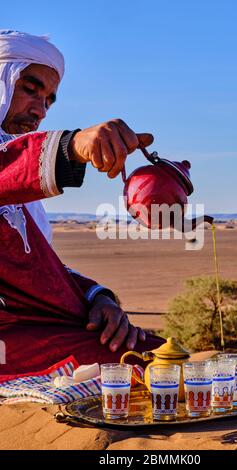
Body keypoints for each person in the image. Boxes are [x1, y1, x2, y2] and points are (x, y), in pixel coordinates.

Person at [0, 30, 164, 377]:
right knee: (151, 369)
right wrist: (73, 146)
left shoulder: (21, 192)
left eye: (49, 100)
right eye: (30, 89)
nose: (40, 110)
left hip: (34, 332)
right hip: (8, 344)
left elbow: (36, 269)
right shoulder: (10, 166)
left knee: (156, 357)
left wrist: (98, 298)